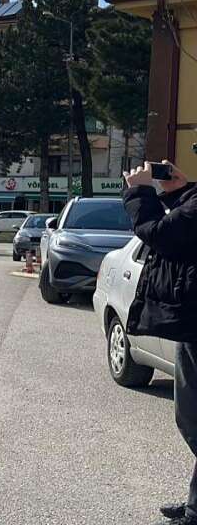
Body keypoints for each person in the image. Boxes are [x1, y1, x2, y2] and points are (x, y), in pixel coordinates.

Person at [122, 160, 197, 524]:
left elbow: (161, 233)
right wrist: (179, 190)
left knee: (194, 419)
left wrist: (140, 191)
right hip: (192, 327)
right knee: (190, 417)